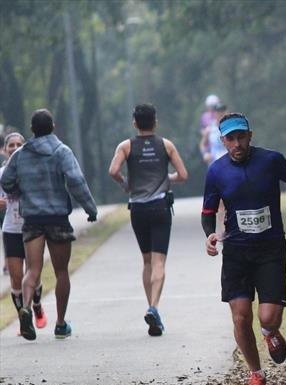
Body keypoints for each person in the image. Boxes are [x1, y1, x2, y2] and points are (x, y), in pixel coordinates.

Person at [202, 112, 286, 385]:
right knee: (240, 317)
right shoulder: (216, 171)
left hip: (270, 249)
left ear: (250, 136)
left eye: (241, 137)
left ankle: (270, 332)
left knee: (268, 318)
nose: (237, 143)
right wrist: (210, 236)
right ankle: (256, 373)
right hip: (236, 252)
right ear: (223, 141)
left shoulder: (271, 160)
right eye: (231, 138)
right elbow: (208, 212)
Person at [1, 109, 98, 340]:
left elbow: (6, 180)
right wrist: (90, 208)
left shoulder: (20, 155)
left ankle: (25, 307)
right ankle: (61, 324)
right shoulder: (62, 151)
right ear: (53, 126)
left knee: (32, 269)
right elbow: (76, 180)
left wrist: (19, 191)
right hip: (57, 218)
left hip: (32, 219)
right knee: (61, 271)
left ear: (32, 130)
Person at [108, 103, 189, 336]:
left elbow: (113, 171)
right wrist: (167, 177)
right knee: (159, 262)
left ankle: (152, 308)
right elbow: (183, 175)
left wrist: (126, 185)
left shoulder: (126, 146)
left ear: (134, 123)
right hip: (160, 208)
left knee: (146, 262)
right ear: (156, 122)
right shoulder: (166, 145)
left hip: (138, 209)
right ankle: (154, 307)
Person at [1, 132, 48, 333]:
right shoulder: (1, 173)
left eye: (19, 144)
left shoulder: (32, 171)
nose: (14, 147)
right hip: (11, 229)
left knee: (34, 275)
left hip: (33, 228)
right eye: (11, 144)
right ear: (4, 150)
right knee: (16, 277)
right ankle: (24, 319)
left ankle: (36, 306)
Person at [200, 103, 228, 167]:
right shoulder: (210, 128)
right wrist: (205, 154)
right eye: (219, 111)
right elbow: (203, 144)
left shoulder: (233, 127)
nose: (221, 113)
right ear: (215, 113)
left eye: (223, 111)